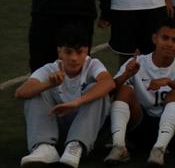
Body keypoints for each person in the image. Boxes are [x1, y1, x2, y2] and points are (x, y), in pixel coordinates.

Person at [15, 25, 115, 168]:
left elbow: (109, 83)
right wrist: (48, 84)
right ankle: (44, 147)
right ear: (59, 51)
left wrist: (76, 102)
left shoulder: (93, 64)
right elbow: (20, 92)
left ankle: (76, 145)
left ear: (86, 51)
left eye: (79, 52)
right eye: (68, 52)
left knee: (98, 90)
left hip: (91, 132)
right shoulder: (50, 69)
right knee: (35, 91)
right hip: (59, 131)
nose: (74, 58)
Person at [104, 19, 175, 166]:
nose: (169, 43)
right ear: (155, 38)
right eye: (165, 38)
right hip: (141, 125)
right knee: (124, 90)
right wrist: (126, 75)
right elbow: (110, 91)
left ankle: (159, 149)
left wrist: (170, 82)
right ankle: (119, 146)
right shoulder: (137, 62)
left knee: (174, 93)